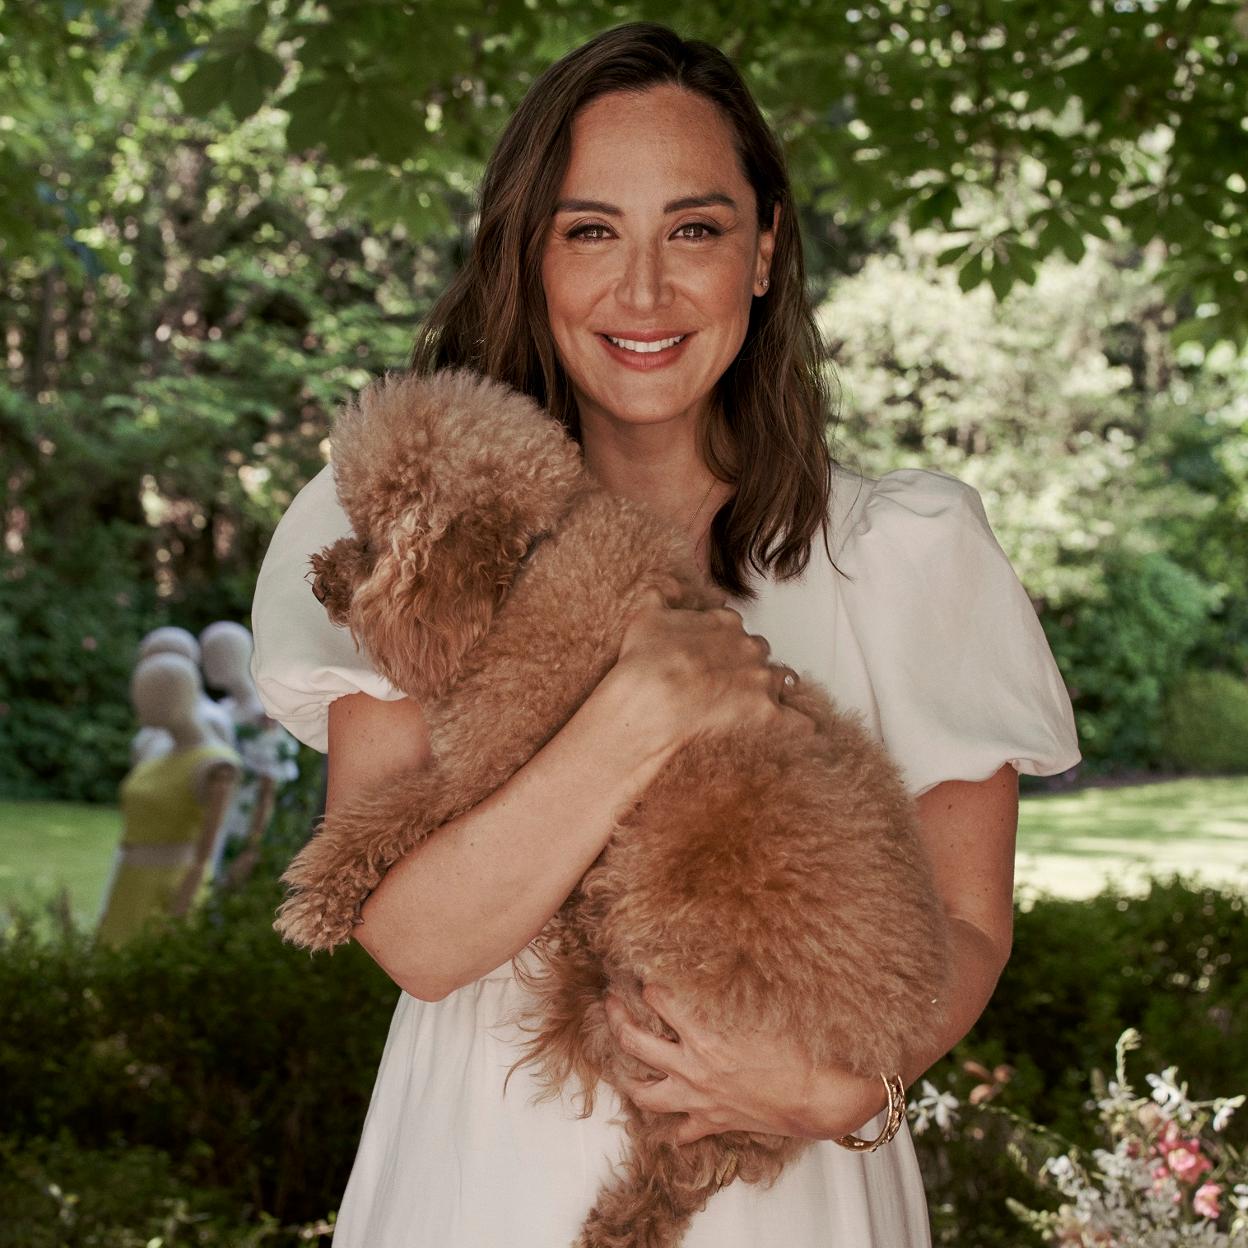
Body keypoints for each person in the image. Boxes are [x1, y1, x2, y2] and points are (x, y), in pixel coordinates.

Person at [250, 22, 1080, 1246]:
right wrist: (637, 716)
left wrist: (838, 1090)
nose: (643, 292)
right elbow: (419, 944)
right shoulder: (413, 511)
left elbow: (967, 922)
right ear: (526, 258)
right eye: (591, 232)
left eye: (693, 229)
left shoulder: (907, 549)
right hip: (484, 1173)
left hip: (790, 1185)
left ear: (764, 250)